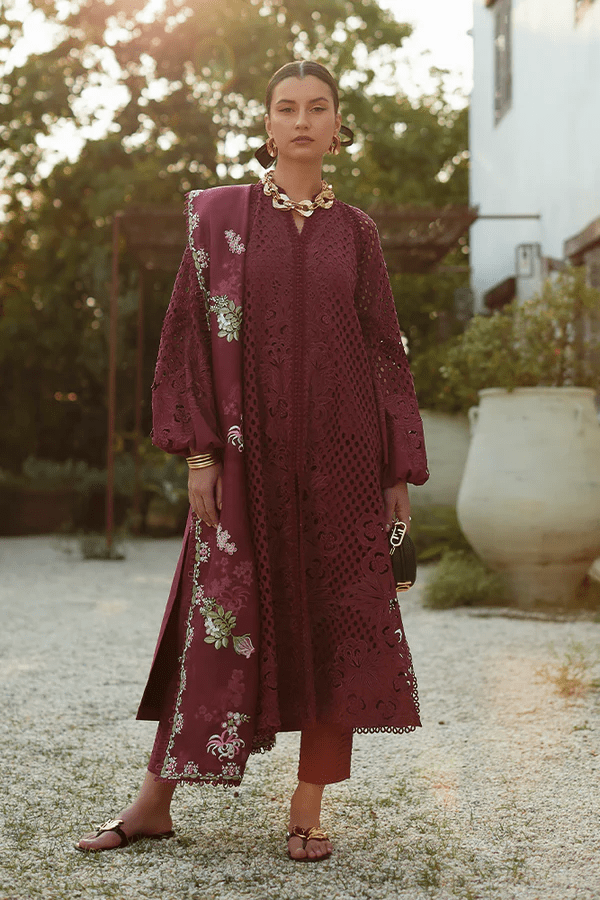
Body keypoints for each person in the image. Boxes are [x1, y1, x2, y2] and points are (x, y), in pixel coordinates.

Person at [76, 60, 428, 862]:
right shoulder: (220, 221)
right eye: (286, 108)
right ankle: (153, 802)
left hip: (342, 464)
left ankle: (307, 807)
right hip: (244, 460)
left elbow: (384, 351)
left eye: (318, 108)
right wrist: (198, 451)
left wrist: (395, 465)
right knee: (213, 620)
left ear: (339, 126)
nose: (302, 120)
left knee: (339, 619)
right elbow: (184, 336)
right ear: (266, 124)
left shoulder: (358, 234)